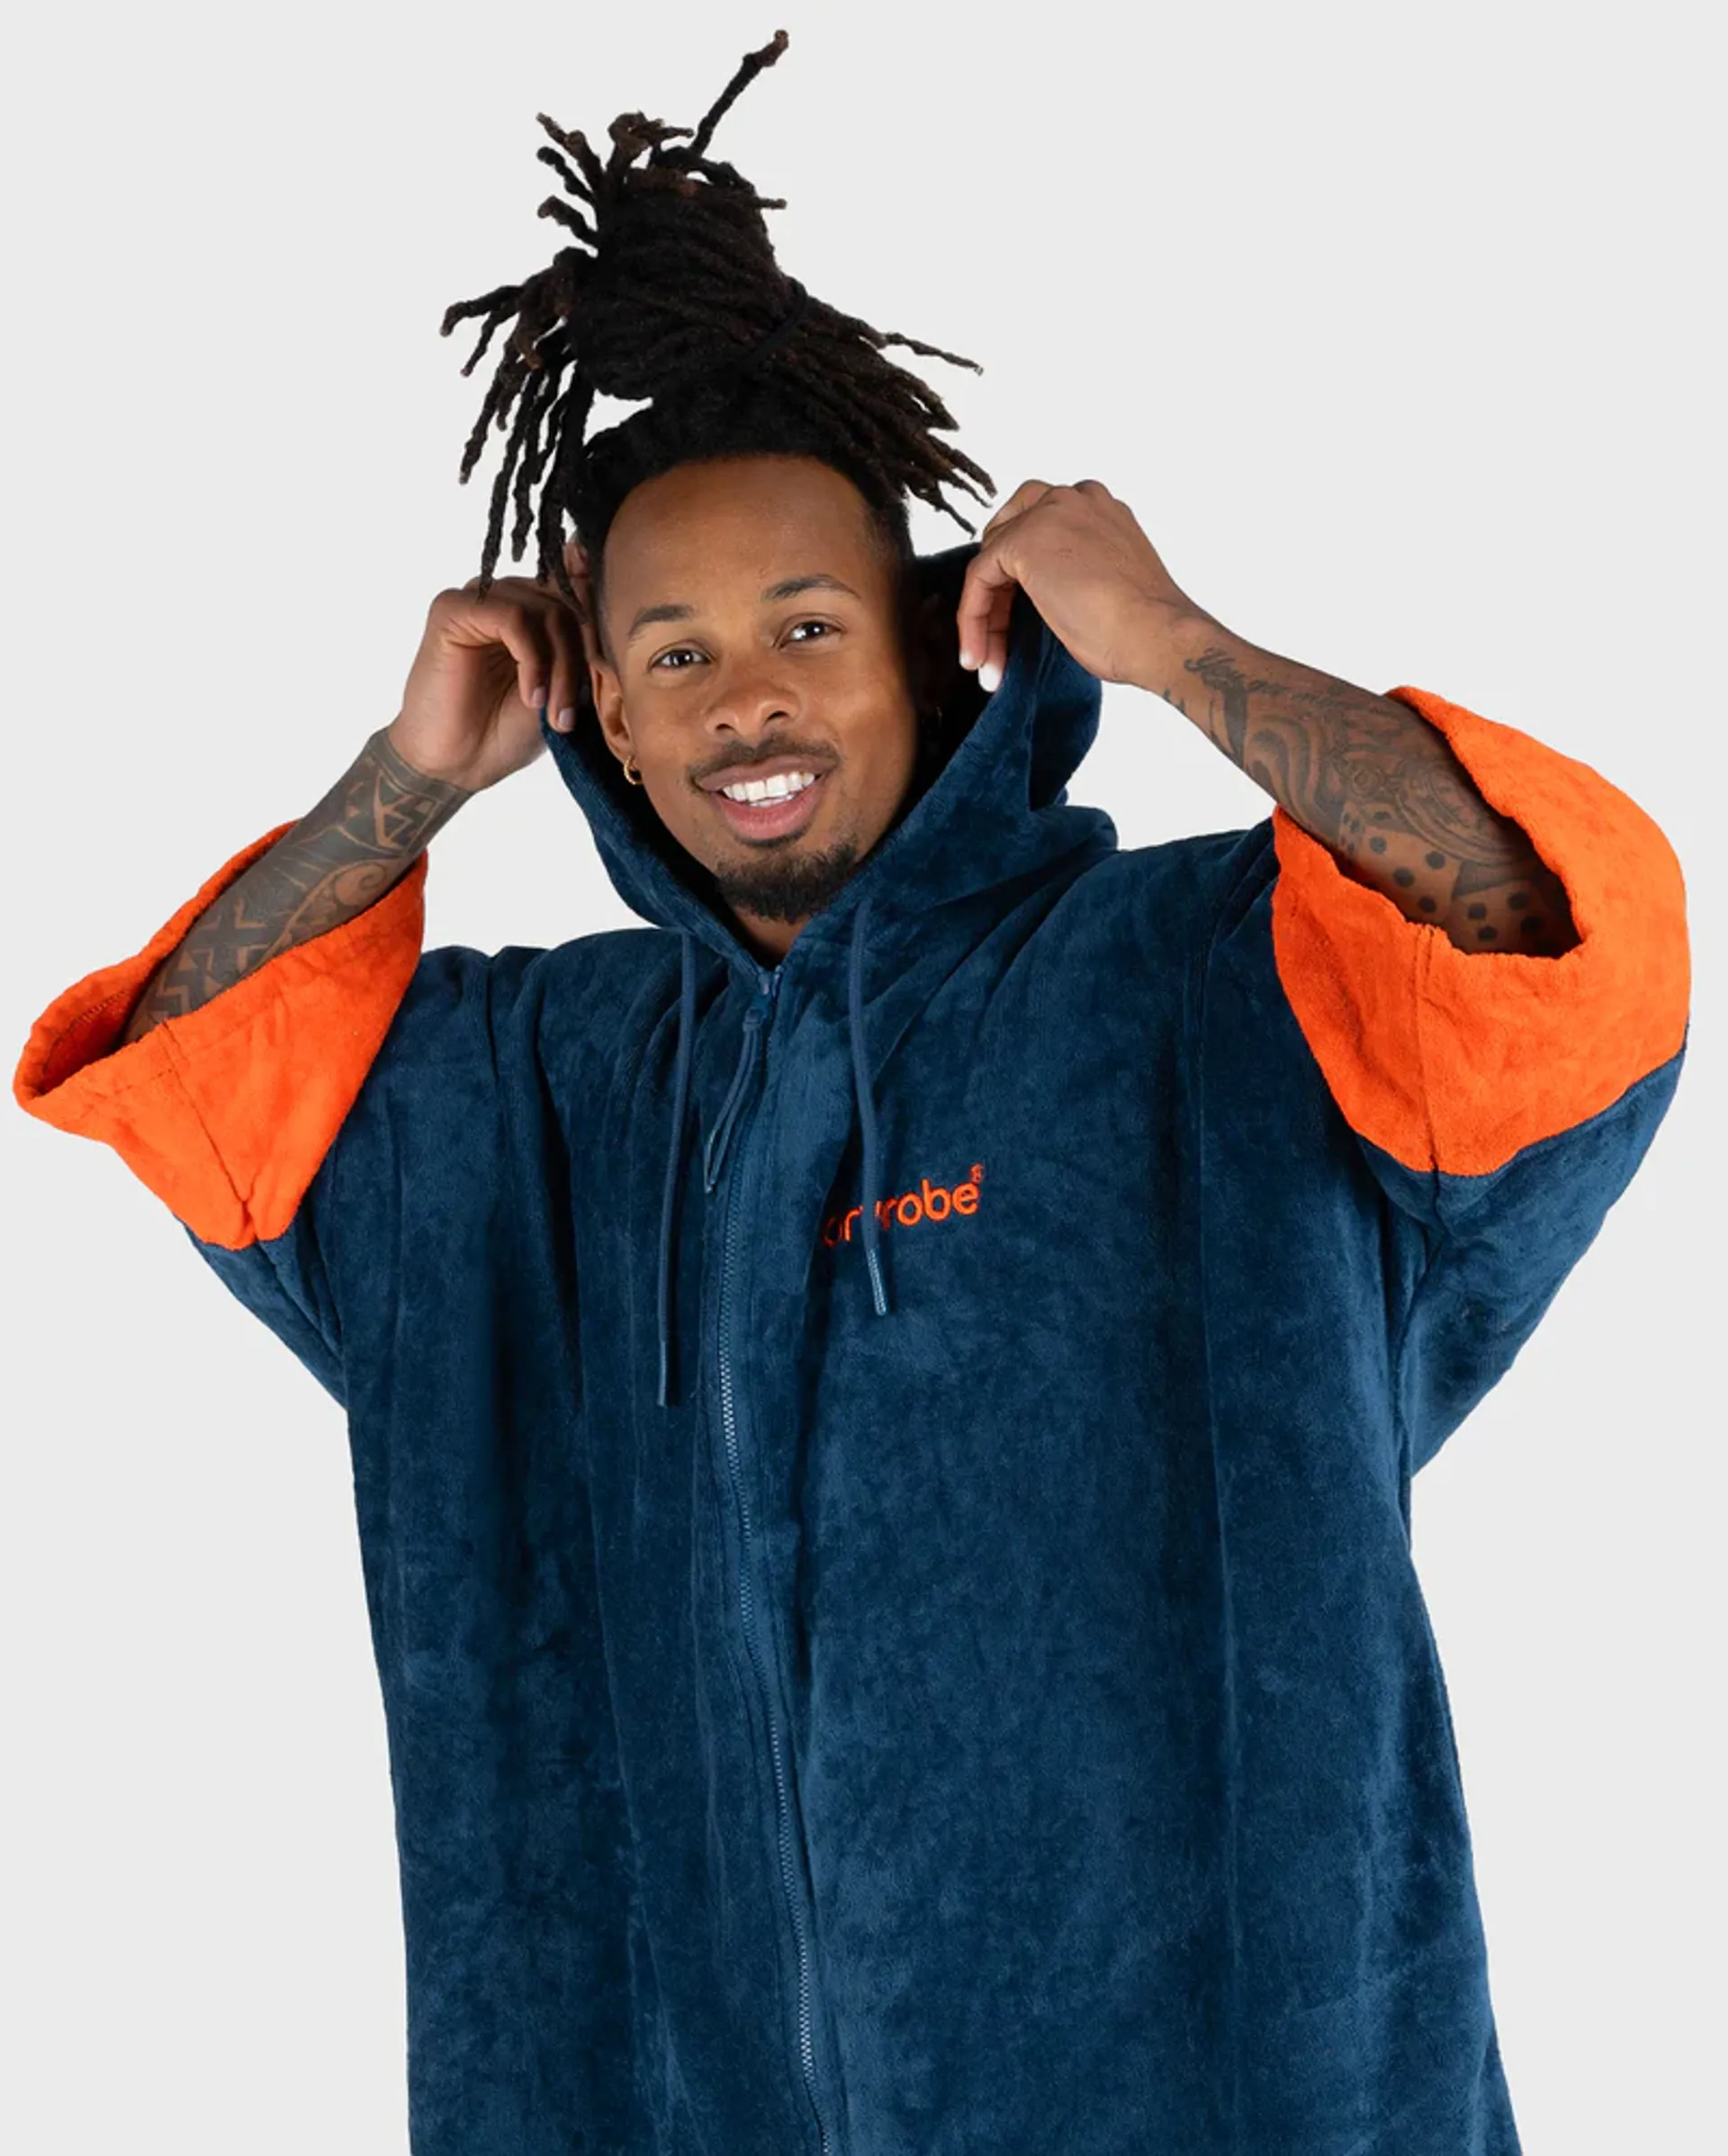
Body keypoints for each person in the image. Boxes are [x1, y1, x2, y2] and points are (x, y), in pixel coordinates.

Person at [13, 31, 1689, 2156]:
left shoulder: (1206, 992)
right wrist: (410, 776)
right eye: (679, 654)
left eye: (807, 626)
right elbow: (206, 1092)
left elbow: (1542, 949)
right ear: (606, 711)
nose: (750, 699)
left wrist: (1177, 644)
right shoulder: (539, 1094)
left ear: (925, 642)